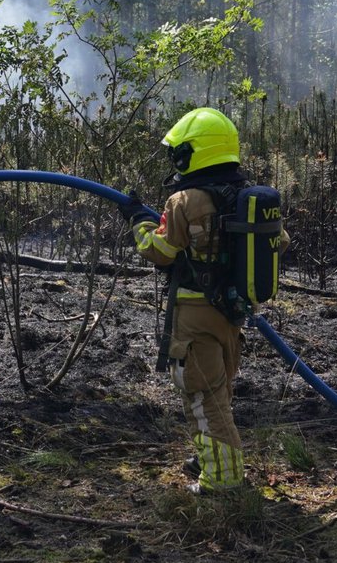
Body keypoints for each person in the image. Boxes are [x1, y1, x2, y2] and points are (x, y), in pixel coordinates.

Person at [117, 107, 289, 495]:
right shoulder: (247, 198)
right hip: (231, 315)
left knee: (202, 397)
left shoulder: (185, 200)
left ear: (193, 153)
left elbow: (158, 250)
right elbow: (280, 242)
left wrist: (138, 222)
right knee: (219, 389)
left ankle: (222, 481)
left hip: (193, 317)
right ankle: (208, 457)